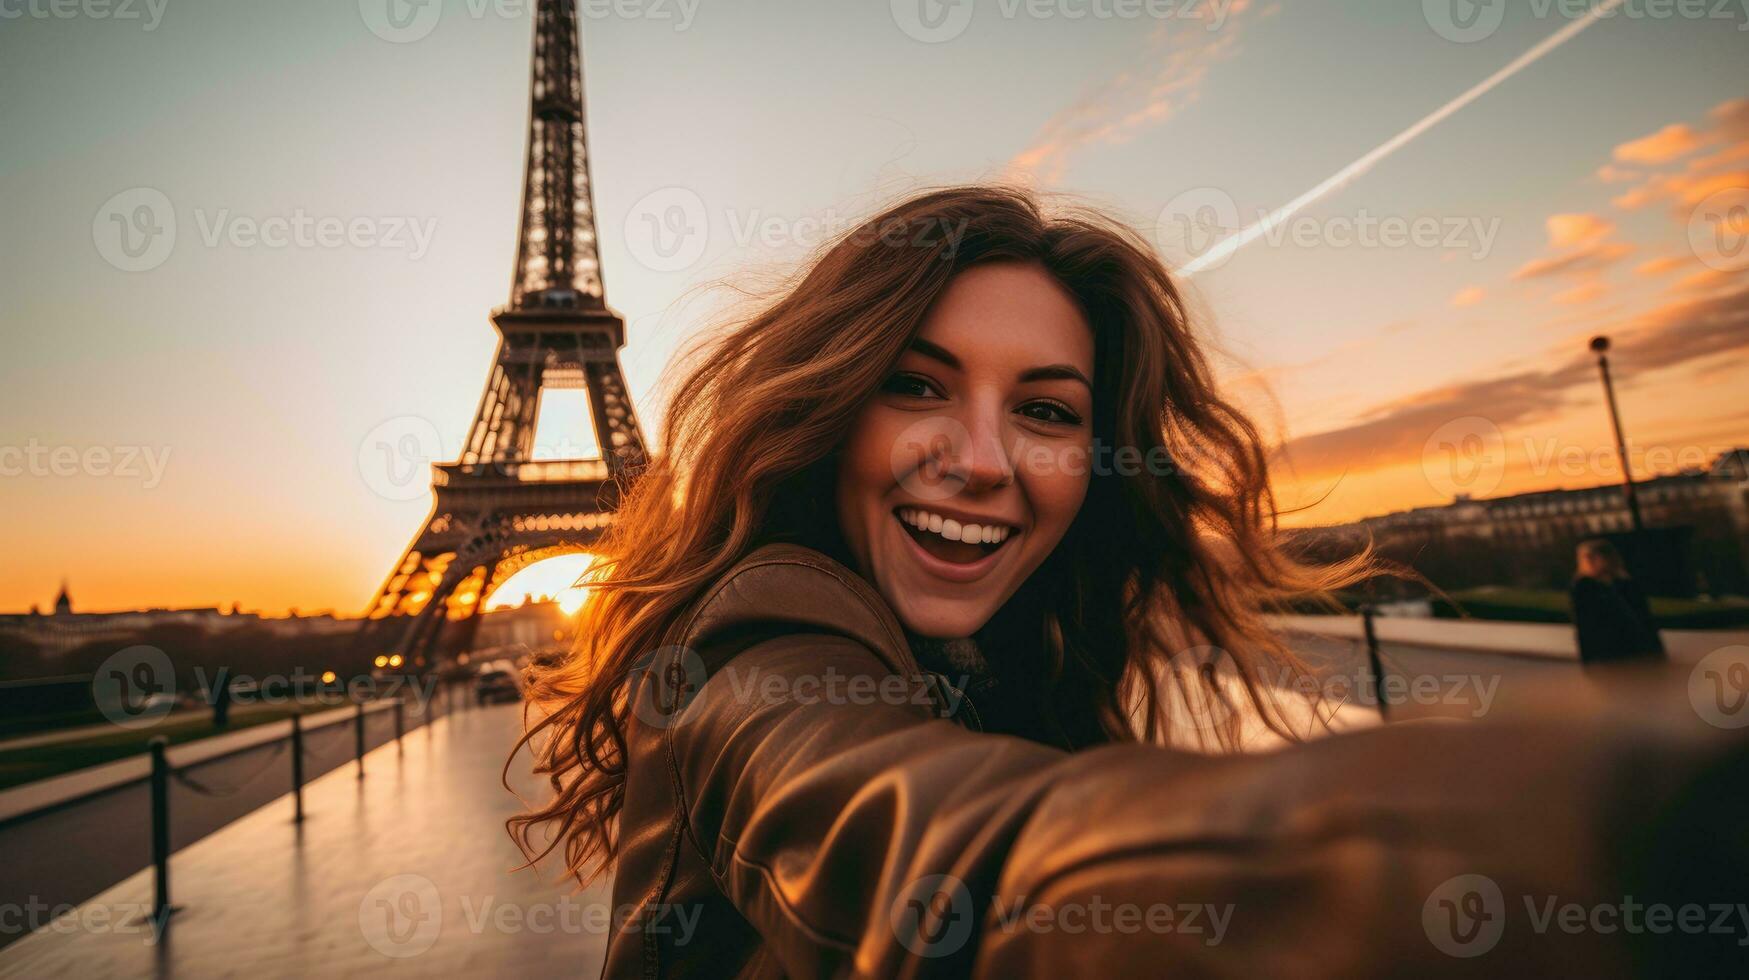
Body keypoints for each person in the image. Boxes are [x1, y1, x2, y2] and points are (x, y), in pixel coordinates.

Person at [509, 187, 1745, 977]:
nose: (983, 459)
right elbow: (932, 841)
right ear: (827, 413)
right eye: (918, 384)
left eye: (1045, 410)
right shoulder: (763, 650)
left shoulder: (1001, 664)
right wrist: (1500, 843)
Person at [1570, 537, 1666, 666]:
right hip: (1608, 650)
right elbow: (1584, 624)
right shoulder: (1583, 587)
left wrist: (1656, 647)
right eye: (1587, 558)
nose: (1590, 562)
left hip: (1635, 646)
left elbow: (1644, 616)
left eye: (1593, 557)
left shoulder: (1626, 583)